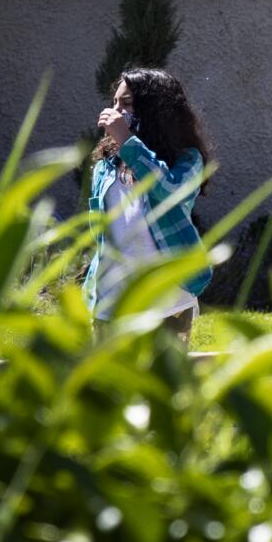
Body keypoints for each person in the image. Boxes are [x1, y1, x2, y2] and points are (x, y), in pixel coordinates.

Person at [85, 68, 213, 342]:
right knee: (108, 384)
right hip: (111, 303)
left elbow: (169, 191)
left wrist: (128, 141)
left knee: (164, 385)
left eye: (127, 104)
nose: (117, 111)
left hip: (168, 303)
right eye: (115, 103)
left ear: (156, 110)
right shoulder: (106, 165)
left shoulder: (187, 159)